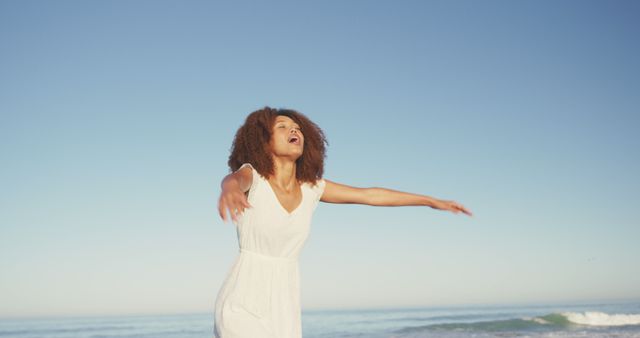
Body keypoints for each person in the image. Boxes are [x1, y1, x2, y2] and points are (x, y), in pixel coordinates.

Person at [213, 106, 472, 338]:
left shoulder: (312, 188)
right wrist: (229, 190)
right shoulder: (254, 178)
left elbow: (370, 195)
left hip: (284, 300)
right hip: (244, 294)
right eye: (282, 127)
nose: (294, 130)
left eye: (297, 128)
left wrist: (429, 201)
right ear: (263, 141)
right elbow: (234, 180)